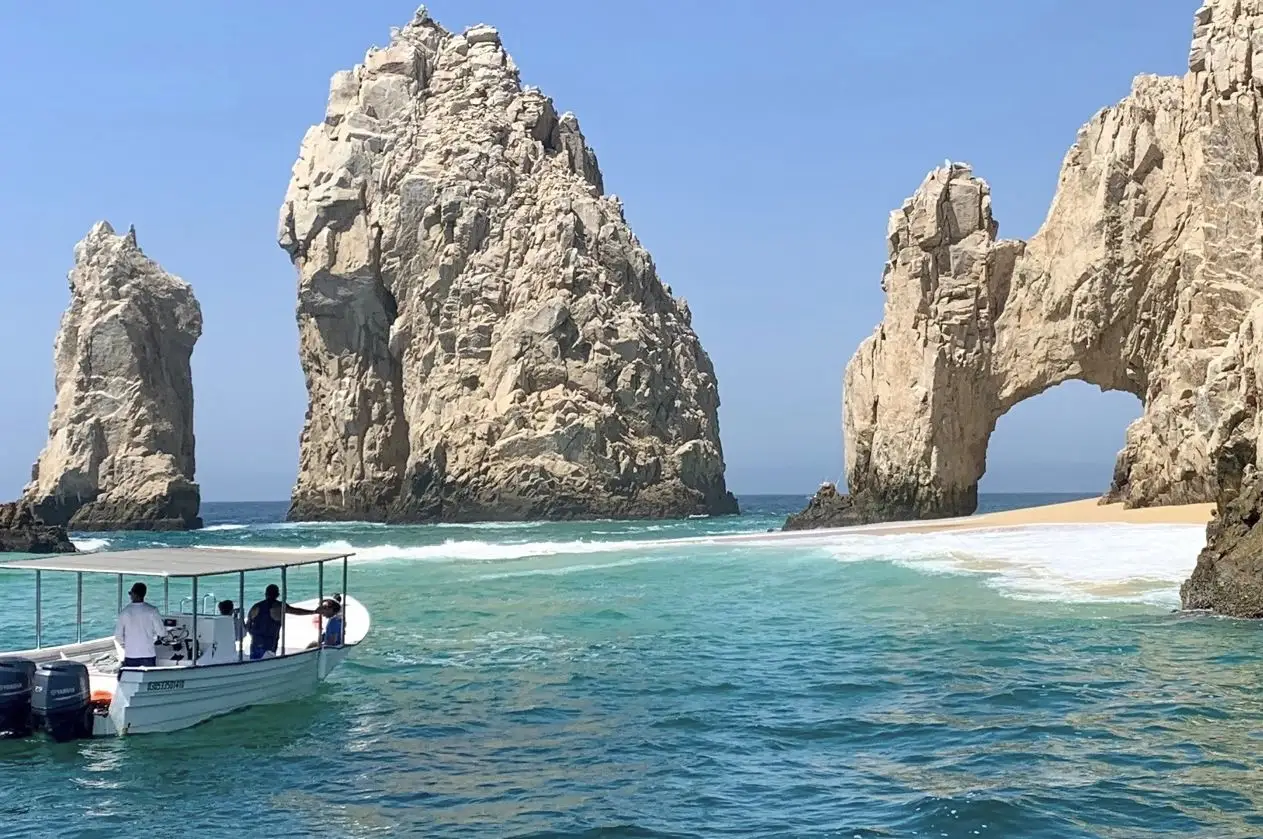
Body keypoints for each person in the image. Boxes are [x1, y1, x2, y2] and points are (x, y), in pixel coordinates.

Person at [245, 584, 317, 660]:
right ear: (278, 595)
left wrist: (254, 635)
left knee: (255, 662)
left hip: (255, 643)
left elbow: (247, 625)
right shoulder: (279, 606)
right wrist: (314, 612)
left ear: (265, 594)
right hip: (269, 645)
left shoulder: (256, 607)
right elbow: (296, 611)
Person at [114, 582, 165, 668]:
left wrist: (126, 645)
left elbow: (118, 636)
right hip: (148, 654)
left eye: (130, 594)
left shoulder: (125, 612)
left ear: (133, 594)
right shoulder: (152, 610)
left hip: (131, 655)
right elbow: (161, 632)